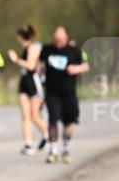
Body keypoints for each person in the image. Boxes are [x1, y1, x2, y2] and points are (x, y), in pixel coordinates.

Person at [40, 26, 89, 164]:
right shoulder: (47, 49)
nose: (58, 42)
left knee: (70, 124)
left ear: (66, 38)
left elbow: (86, 66)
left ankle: (66, 148)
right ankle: (53, 151)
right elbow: (39, 65)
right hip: (52, 93)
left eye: (60, 39)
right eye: (56, 39)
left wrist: (76, 68)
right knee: (53, 121)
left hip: (69, 94)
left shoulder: (75, 51)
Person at [7, 24, 47, 155]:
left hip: (33, 82)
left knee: (34, 116)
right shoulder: (25, 48)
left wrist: (16, 59)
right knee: (25, 115)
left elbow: (30, 66)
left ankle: (47, 135)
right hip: (24, 82)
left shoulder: (34, 47)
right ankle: (28, 144)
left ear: (21, 36)